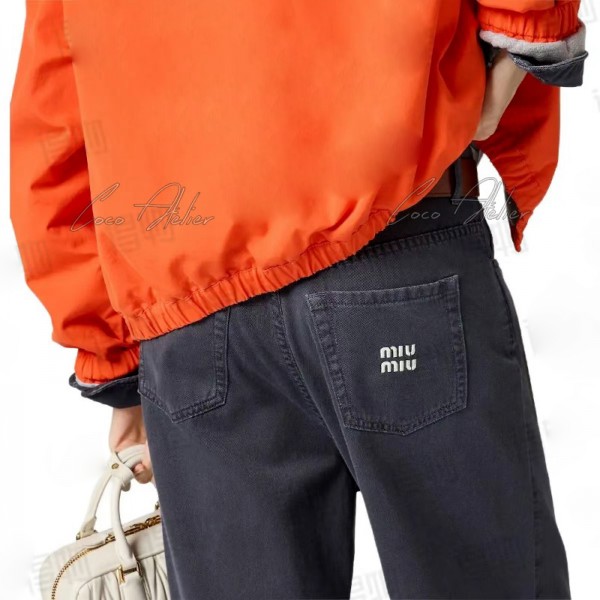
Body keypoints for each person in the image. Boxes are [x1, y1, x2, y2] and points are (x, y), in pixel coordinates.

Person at [10, 1, 587, 598]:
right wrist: (518, 47)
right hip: (391, 245)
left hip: (191, 323)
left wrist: (113, 358)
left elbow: (55, 120)